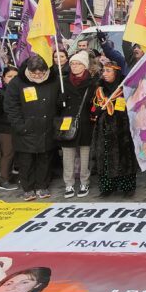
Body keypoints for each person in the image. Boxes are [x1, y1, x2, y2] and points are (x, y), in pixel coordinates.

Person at [4, 56, 59, 202]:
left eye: (40, 73)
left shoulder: (54, 81)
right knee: (26, 161)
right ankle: (28, 189)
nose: (37, 76)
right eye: (34, 74)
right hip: (25, 129)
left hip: (46, 128)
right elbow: (11, 106)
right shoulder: (17, 82)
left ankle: (42, 186)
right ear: (28, 71)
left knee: (45, 159)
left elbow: (59, 102)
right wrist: (20, 126)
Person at [90, 59, 138, 196]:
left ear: (116, 72)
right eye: (103, 71)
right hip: (104, 128)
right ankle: (107, 188)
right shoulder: (99, 88)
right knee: (105, 158)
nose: (104, 73)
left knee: (125, 158)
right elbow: (92, 104)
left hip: (122, 128)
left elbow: (134, 105)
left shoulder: (125, 87)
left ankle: (127, 188)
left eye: (108, 71)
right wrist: (96, 110)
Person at [58, 51, 97, 197]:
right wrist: (60, 100)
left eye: (78, 63)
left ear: (85, 66)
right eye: (72, 63)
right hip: (68, 122)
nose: (74, 66)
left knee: (85, 155)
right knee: (67, 155)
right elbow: (57, 106)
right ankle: (68, 184)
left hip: (85, 122)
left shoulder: (92, 83)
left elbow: (94, 104)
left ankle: (84, 182)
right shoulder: (63, 82)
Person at [0, 67, 19, 191]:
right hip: (5, 127)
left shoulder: (20, 90)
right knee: (8, 153)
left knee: (16, 153)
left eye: (15, 76)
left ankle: (11, 175)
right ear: (3, 78)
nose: (12, 79)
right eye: (9, 76)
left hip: (18, 125)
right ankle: (4, 180)